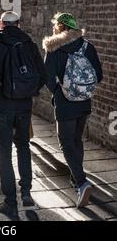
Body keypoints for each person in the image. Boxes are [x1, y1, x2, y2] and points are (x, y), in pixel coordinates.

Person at [0, 11, 46, 220]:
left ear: (1, 24)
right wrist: (28, 91)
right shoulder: (28, 43)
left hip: (2, 105)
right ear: (17, 24)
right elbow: (43, 75)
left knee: (4, 153)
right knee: (23, 146)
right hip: (24, 105)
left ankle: (10, 202)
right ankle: (26, 193)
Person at [43, 12, 103, 208]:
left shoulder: (53, 47)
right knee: (76, 140)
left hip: (65, 104)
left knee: (66, 143)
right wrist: (83, 89)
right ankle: (75, 177)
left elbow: (48, 78)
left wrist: (60, 93)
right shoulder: (88, 47)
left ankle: (81, 182)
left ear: (59, 28)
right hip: (84, 102)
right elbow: (99, 76)